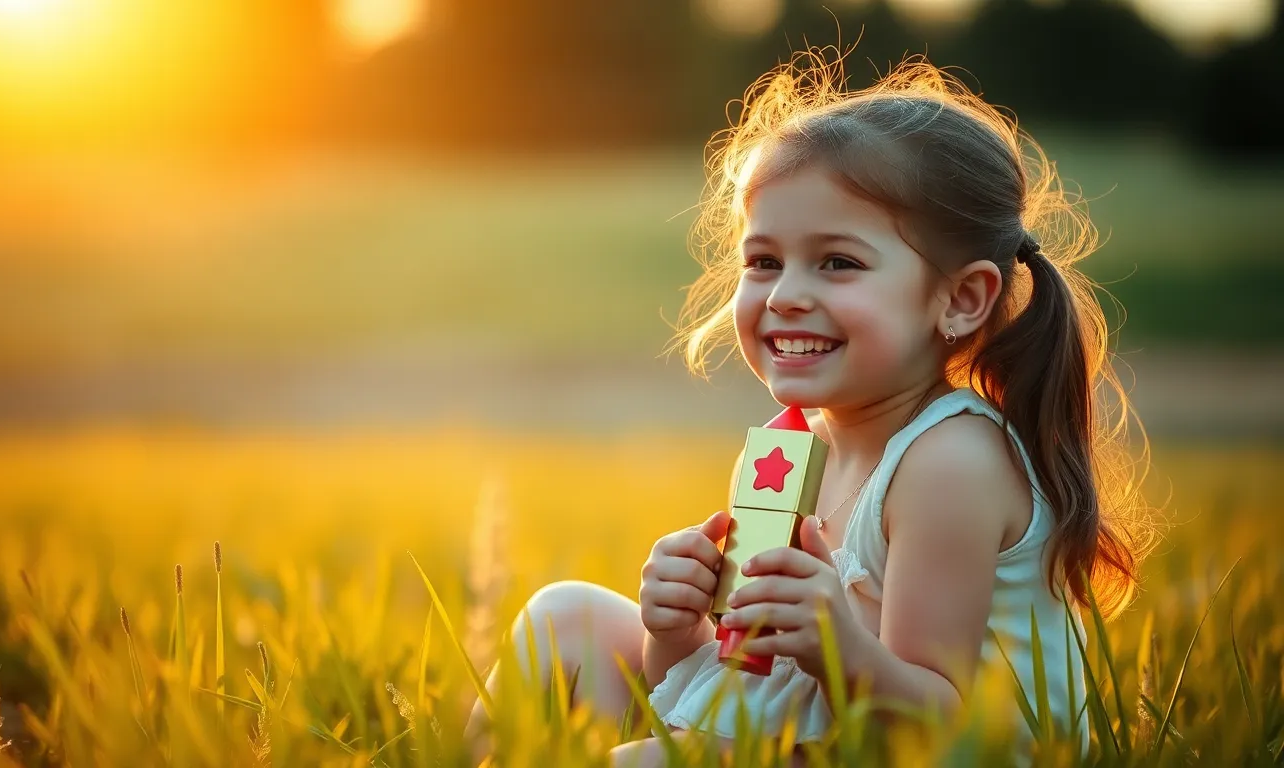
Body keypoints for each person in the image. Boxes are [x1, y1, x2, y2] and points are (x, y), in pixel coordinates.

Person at [465, 51, 1156, 766]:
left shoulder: (951, 463)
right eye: (764, 261)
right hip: (828, 726)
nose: (786, 293)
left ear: (960, 299)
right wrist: (673, 629)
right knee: (563, 617)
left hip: (928, 746)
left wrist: (839, 647)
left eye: (838, 263)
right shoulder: (784, 451)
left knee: (640, 762)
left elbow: (943, 726)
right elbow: (732, 681)